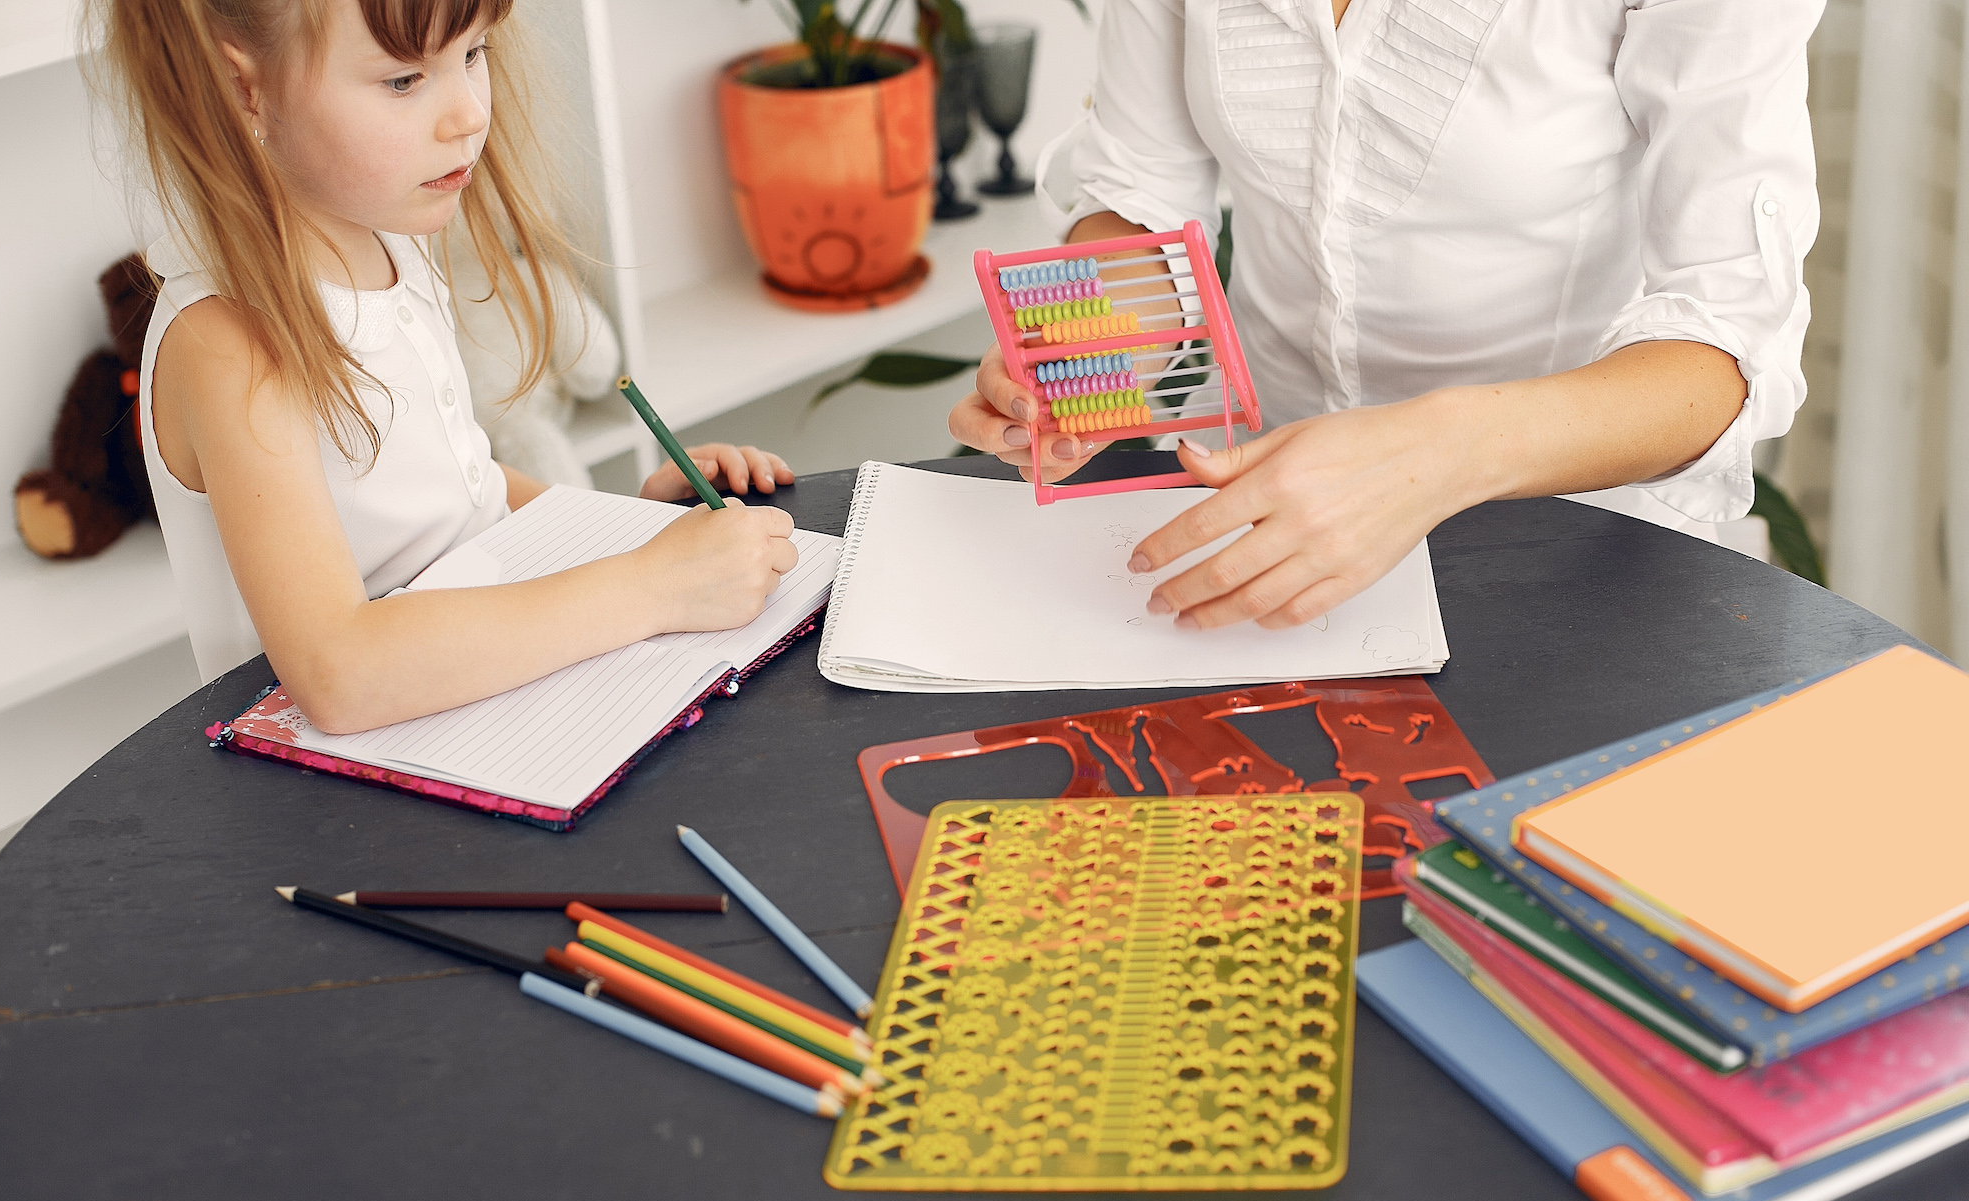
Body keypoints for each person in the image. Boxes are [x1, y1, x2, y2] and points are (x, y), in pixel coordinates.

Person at [950, 0, 1818, 631]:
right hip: (1268, 545)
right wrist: (1091, 358)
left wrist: (1436, 453)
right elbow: (1141, 182)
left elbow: (1728, 343)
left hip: (1581, 563)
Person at [102, 0, 798, 731]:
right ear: (241, 87)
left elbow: (465, 499)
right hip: (330, 805)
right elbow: (340, 675)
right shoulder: (232, 342)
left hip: (472, 726)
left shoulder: (392, 240)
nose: (468, 113)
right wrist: (649, 584)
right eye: (404, 80)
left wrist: (632, 531)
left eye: (475, 53)